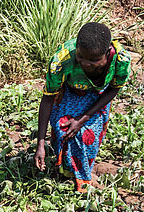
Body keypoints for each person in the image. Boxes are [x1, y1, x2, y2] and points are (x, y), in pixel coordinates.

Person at [34, 22, 131, 192]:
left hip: (98, 97)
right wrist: (40, 144)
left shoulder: (120, 60)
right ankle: (63, 171)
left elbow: (114, 89)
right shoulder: (62, 60)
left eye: (93, 60)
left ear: (107, 53)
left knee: (87, 135)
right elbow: (48, 99)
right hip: (69, 92)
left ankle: (82, 176)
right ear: (77, 48)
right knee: (63, 129)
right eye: (80, 57)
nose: (85, 63)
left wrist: (82, 119)